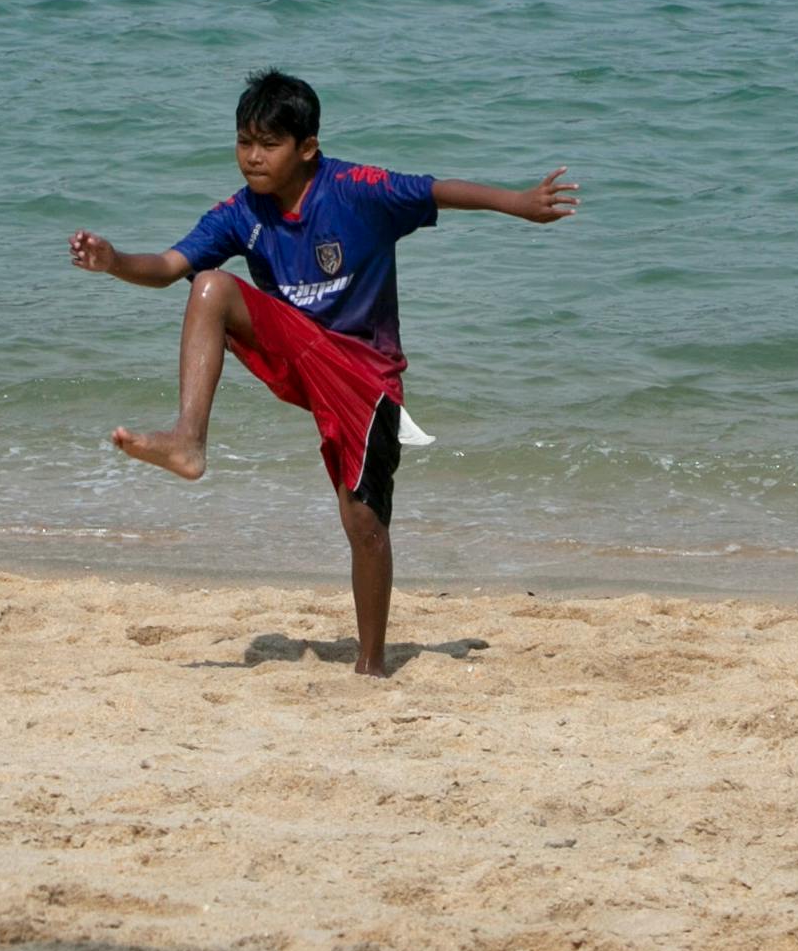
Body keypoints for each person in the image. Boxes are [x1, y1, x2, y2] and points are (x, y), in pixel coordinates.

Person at [68, 69, 578, 677]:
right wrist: (115, 261)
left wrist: (518, 203)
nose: (252, 158)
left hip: (365, 374)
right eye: (243, 142)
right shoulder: (241, 214)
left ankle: (370, 663)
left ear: (307, 147)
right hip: (299, 354)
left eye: (268, 144)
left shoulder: (358, 189)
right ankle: (187, 439)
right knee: (208, 286)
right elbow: (169, 264)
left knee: (363, 523)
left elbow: (437, 190)